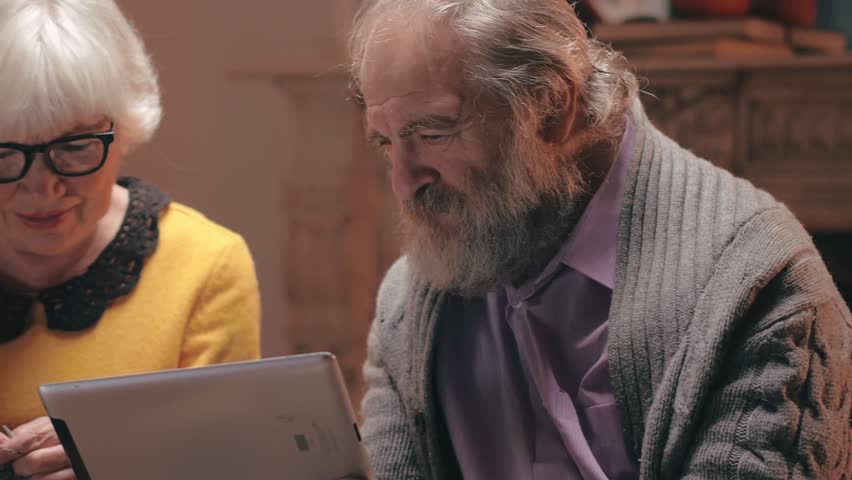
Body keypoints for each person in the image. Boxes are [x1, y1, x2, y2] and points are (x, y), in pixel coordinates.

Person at [347, 0, 852, 478]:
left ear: (550, 107)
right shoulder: (408, 309)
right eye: (386, 142)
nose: (403, 184)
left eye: (433, 134)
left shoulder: (762, 292)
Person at [0, 1, 261, 478]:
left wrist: (126, 457)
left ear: (125, 128)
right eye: (3, 152)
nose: (42, 188)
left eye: (75, 146)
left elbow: (231, 465)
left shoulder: (204, 265)